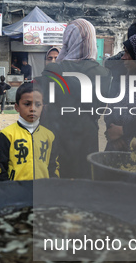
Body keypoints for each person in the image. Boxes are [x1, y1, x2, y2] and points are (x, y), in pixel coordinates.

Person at [39, 18, 112, 179]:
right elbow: (99, 109)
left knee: (57, 186)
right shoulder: (103, 73)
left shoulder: (54, 69)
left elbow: (45, 106)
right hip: (88, 139)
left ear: (68, 40)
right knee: (83, 186)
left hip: (57, 138)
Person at [0, 82, 59, 181]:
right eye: (27, 104)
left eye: (38, 104)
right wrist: (7, 191)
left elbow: (53, 166)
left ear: (43, 107)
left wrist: (52, 187)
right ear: (17, 107)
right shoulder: (7, 135)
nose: (33, 109)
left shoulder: (49, 136)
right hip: (16, 193)